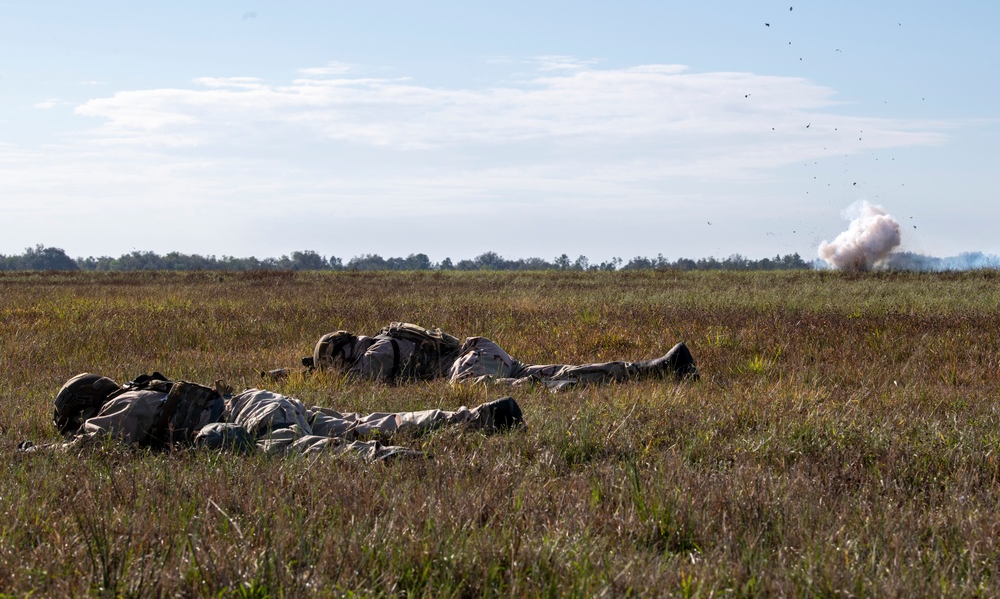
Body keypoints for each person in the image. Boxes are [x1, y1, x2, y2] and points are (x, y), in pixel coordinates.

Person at [38, 371, 524, 460]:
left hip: (253, 415)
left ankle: (379, 459)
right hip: (262, 400)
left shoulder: (123, 405)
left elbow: (89, 446)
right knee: (373, 417)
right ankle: (476, 416)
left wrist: (36, 452)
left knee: (286, 449)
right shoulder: (148, 395)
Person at [305, 322, 699, 390]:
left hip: (471, 363)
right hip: (482, 351)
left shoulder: (378, 350)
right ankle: (659, 368)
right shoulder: (386, 340)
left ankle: (551, 388)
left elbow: (359, 382)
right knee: (567, 370)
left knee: (536, 382)